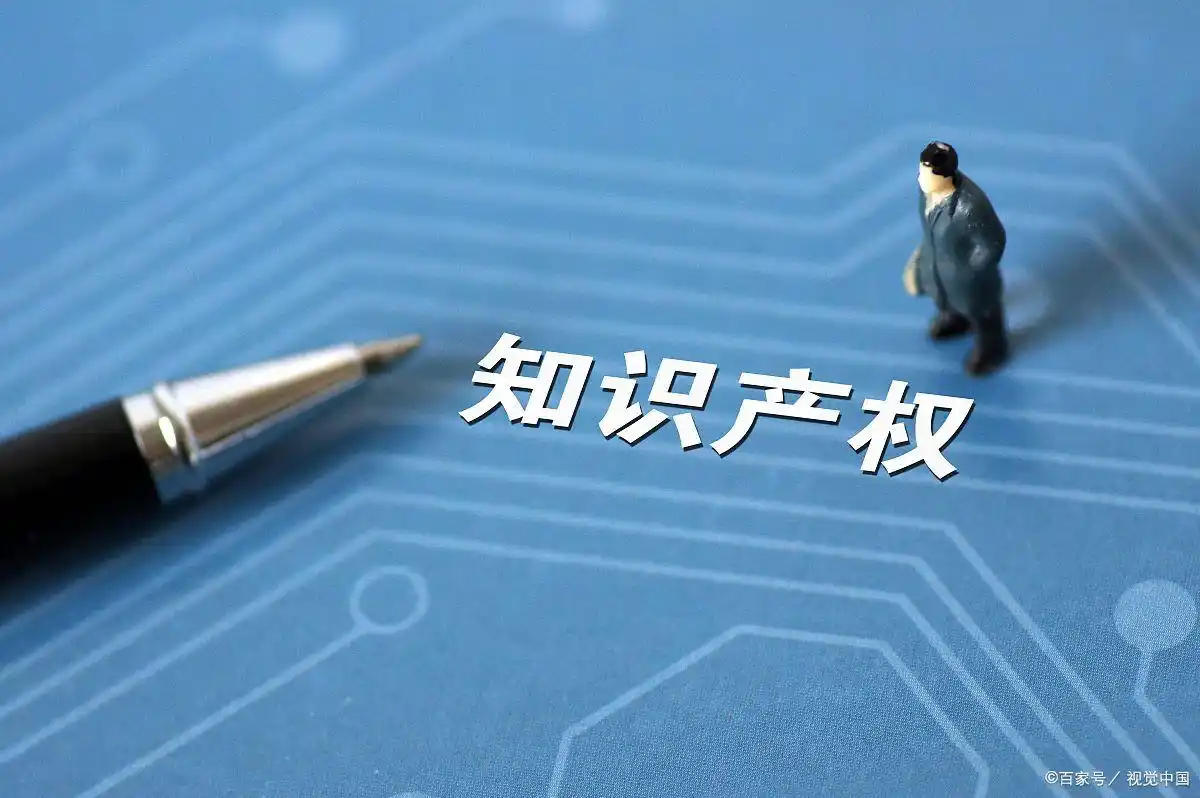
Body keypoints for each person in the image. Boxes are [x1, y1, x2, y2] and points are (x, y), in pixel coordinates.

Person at [903, 141, 1009, 375]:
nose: (922, 178)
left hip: (968, 277)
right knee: (946, 299)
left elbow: (993, 242)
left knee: (982, 311)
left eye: (928, 173)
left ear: (945, 176)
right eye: (921, 171)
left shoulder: (970, 206)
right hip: (937, 267)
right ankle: (955, 320)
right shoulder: (927, 193)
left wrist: (970, 270)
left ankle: (993, 348)